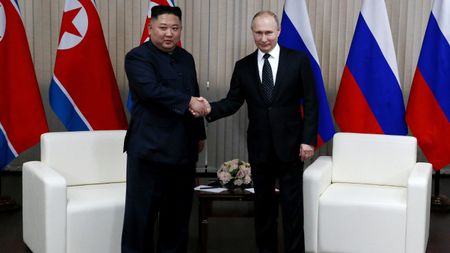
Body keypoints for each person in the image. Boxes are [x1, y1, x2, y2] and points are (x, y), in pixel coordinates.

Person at [195, 10, 318, 253]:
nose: (264, 38)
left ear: (278, 32)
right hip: (260, 147)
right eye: (258, 33)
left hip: (292, 147)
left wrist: (307, 140)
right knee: (263, 209)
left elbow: (312, 102)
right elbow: (232, 101)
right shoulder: (243, 66)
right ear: (252, 33)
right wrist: (209, 109)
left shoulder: (298, 61)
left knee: (293, 209)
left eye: (268, 32)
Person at [122, 6, 209, 253]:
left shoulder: (186, 58)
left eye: (175, 28)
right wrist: (188, 102)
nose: (169, 34)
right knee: (141, 220)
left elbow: (194, 93)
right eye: (163, 28)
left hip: (183, 151)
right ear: (150, 28)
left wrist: (199, 134)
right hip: (149, 152)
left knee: (177, 219)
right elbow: (150, 90)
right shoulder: (137, 57)